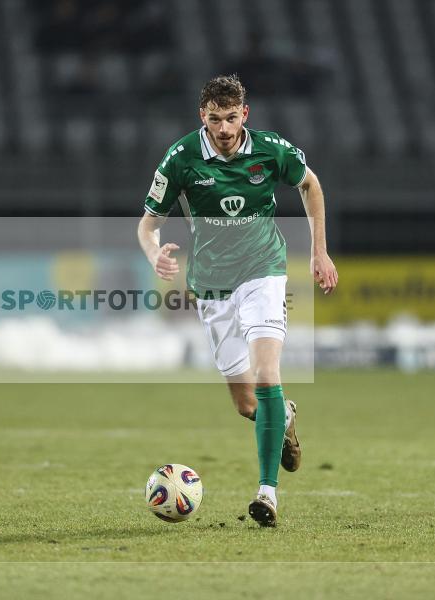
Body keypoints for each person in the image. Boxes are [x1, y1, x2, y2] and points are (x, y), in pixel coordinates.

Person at [136, 74, 338, 527]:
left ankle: (268, 493)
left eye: (231, 118)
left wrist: (319, 250)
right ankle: (283, 417)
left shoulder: (270, 149)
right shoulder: (181, 158)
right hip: (212, 286)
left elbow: (310, 184)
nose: (224, 129)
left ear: (244, 114)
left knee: (267, 373)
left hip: (263, 271)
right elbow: (148, 225)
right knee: (248, 405)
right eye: (215, 119)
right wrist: (154, 254)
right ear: (202, 117)